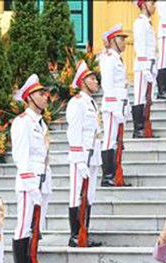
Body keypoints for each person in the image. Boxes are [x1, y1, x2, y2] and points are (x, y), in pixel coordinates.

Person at [11, 74, 53, 263]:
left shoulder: (40, 123)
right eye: (40, 94)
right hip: (29, 182)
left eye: (44, 93)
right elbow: (21, 157)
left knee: (36, 227)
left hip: (42, 180)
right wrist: (31, 185)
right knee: (24, 225)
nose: (45, 97)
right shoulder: (23, 123)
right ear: (29, 97)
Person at [66, 61, 103, 248]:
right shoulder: (77, 103)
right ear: (82, 81)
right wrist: (79, 159)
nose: (96, 81)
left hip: (93, 155)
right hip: (81, 157)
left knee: (89, 195)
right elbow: (74, 132)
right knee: (77, 195)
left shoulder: (91, 103)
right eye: (92, 78)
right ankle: (74, 235)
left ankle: (84, 232)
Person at [99, 24, 129, 187]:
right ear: (112, 40)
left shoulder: (117, 58)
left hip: (119, 104)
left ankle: (115, 174)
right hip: (112, 106)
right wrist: (114, 108)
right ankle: (107, 176)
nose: (124, 42)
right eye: (120, 38)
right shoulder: (109, 58)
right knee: (109, 140)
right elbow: (108, 84)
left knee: (116, 140)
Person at [132, 0, 157, 138]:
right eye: (152, 3)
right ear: (143, 4)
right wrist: (145, 68)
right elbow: (140, 47)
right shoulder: (140, 23)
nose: (154, 7)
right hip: (143, 66)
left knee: (147, 97)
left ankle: (145, 126)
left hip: (149, 65)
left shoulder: (147, 23)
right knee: (140, 96)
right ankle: (138, 129)